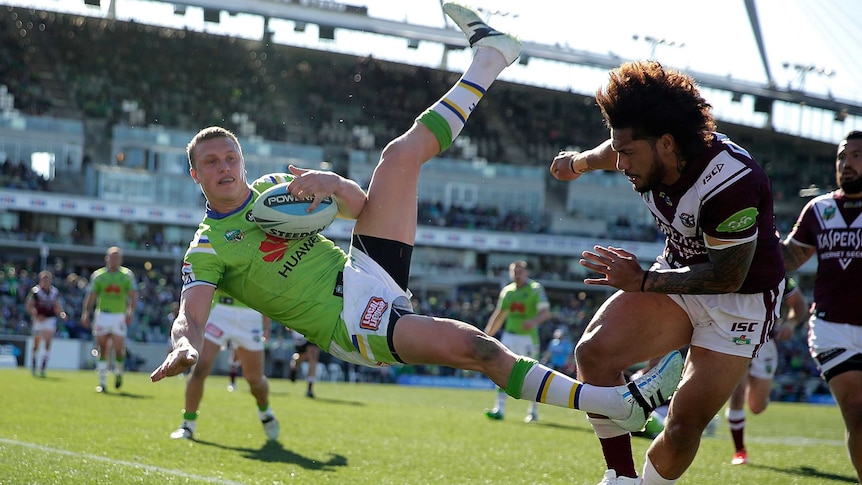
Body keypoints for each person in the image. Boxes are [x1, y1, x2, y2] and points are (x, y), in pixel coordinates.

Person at [150, 3, 683, 440]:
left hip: (364, 273)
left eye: (230, 157)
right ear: (195, 174)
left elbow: (360, 207)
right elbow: (189, 312)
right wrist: (183, 342)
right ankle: (616, 405)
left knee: (399, 156)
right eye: (212, 163)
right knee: (479, 349)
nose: (225, 167)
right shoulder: (207, 247)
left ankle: (490, 57)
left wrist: (333, 185)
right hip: (350, 324)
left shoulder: (273, 188)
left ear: (242, 161)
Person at [549, 60, 785, 484]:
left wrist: (641, 281)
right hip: (679, 276)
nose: (621, 164)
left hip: (739, 301)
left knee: (681, 428)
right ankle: (621, 477)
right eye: (617, 150)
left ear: (667, 144)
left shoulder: (730, 181)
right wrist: (577, 163)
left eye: (628, 153)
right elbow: (610, 150)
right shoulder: (643, 149)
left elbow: (726, 276)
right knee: (594, 354)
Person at [781, 130, 862, 483]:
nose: (847, 163)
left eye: (857, 155)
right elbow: (789, 259)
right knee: (858, 415)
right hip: (832, 329)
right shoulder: (819, 209)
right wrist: (756, 240)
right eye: (842, 157)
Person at [171, 289, 276, 440]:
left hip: (251, 314)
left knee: (255, 379)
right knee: (200, 369)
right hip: (220, 311)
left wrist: (267, 321)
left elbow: (263, 285)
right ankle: (188, 424)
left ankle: (265, 412)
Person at [726, 275, 808, 465]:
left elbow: (799, 305)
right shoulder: (732, 265)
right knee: (737, 392)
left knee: (757, 406)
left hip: (766, 341)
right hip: (735, 338)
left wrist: (790, 323)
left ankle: (758, 390)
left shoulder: (778, 274)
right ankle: (739, 451)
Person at [483, 260, 551, 423]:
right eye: (514, 271)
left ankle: (533, 411)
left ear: (526, 273)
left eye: (520, 272)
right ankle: (499, 409)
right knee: (500, 370)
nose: (517, 275)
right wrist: (486, 335)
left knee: (532, 373)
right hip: (509, 336)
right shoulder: (508, 291)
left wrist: (533, 322)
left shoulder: (535, 289)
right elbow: (500, 315)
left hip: (528, 337)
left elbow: (545, 312)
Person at [81, 246, 139, 393]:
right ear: (107, 258)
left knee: (119, 350)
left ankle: (119, 372)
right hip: (102, 315)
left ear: (120, 259)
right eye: (111, 257)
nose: (114, 260)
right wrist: (86, 313)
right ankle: (102, 382)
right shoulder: (99, 276)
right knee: (102, 348)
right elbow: (91, 296)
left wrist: (130, 312)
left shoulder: (126, 275)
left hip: (118, 316)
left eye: (117, 257)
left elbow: (133, 295)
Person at [25, 270, 68, 377]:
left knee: (48, 341)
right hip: (39, 320)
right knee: (36, 344)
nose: (45, 282)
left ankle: (43, 367)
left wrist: (62, 313)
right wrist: (36, 315)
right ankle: (34, 364)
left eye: (47, 279)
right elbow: (29, 306)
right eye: (43, 279)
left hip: (50, 319)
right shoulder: (36, 292)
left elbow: (56, 305)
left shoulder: (54, 292)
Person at [288, 329, 320, 398]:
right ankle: (294, 363)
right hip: (302, 330)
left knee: (313, 359)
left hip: (313, 329)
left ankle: (310, 388)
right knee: (303, 356)